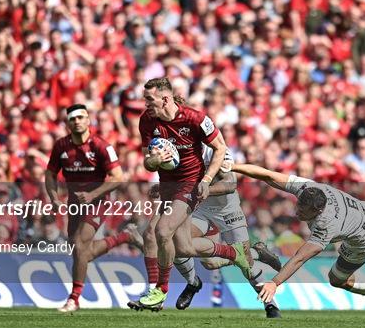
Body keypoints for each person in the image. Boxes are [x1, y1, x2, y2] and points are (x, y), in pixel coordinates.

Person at [227, 163, 365, 321]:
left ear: (318, 211)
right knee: (349, 242)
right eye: (298, 206)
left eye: (303, 212)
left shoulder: (325, 224)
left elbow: (300, 257)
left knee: (337, 279)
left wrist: (274, 282)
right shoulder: (308, 187)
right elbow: (268, 175)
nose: (297, 213)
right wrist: (233, 166)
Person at [135, 77, 250, 309]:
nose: (145, 103)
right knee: (183, 247)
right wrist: (154, 160)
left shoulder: (195, 119)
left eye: (150, 99)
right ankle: (232, 252)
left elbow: (220, 148)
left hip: (190, 185)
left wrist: (206, 180)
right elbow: (148, 162)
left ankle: (160, 290)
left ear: (165, 98)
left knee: (162, 230)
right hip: (167, 186)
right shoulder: (147, 121)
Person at [45, 104, 143, 313]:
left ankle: (74, 299)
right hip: (74, 203)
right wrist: (54, 198)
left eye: (81, 117)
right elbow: (50, 174)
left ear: (89, 121)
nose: (77, 121)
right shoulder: (61, 146)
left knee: (80, 247)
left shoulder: (101, 146)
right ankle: (124, 237)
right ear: (68, 123)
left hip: (98, 202)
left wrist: (91, 195)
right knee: (80, 252)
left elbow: (118, 178)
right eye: (73, 118)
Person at [173, 145, 282, 318]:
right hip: (202, 209)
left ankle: (270, 304)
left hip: (227, 209)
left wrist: (203, 189)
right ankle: (193, 283)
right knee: (184, 246)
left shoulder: (213, 149)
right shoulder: (177, 149)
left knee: (244, 261)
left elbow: (230, 184)